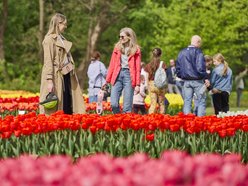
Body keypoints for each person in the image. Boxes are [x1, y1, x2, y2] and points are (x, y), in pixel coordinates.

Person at [39, 13, 85, 115]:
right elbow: (48, 61)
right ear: (58, 24)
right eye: (64, 24)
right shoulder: (49, 40)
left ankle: (67, 125)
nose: (65, 26)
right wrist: (49, 79)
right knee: (56, 106)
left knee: (68, 104)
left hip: (66, 74)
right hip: (55, 76)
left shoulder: (62, 39)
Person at [106, 27, 141, 114]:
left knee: (127, 107)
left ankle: (124, 125)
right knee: (113, 104)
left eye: (122, 37)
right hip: (117, 75)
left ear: (129, 37)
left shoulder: (136, 50)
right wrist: (107, 80)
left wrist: (137, 84)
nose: (120, 38)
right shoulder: (117, 48)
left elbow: (137, 68)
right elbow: (112, 64)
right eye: (119, 36)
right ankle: (118, 118)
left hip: (129, 76)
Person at [176, 35, 209, 116]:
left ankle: (188, 123)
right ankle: (200, 123)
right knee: (201, 101)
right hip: (197, 80)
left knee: (187, 102)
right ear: (198, 42)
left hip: (186, 81)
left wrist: (182, 76)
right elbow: (200, 68)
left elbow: (178, 68)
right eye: (200, 43)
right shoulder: (198, 52)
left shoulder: (181, 52)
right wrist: (205, 77)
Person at [144, 48, 167, 114]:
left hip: (151, 84)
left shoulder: (149, 65)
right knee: (161, 103)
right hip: (160, 86)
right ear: (160, 54)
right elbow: (165, 76)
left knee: (153, 104)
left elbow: (147, 76)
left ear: (152, 54)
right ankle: (161, 118)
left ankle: (151, 118)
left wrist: (147, 85)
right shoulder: (162, 64)